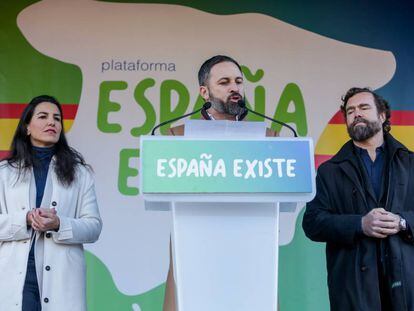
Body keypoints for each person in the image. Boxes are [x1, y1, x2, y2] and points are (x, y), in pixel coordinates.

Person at [163, 55, 277, 310]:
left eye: (238, 81)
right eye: (224, 82)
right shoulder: (177, 137)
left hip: (251, 249)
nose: (234, 88)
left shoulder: (269, 138)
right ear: (204, 92)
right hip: (195, 248)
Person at [302, 87, 414, 310]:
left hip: (406, 286)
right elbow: (312, 223)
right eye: (350, 111)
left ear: (382, 116)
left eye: (364, 107)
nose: (356, 114)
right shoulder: (329, 170)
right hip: (353, 290)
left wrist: (402, 221)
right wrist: (360, 224)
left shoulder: (411, 163)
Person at [0, 95, 102, 311]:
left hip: (62, 278)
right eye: (43, 116)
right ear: (27, 126)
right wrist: (25, 219)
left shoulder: (79, 173)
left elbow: (94, 227)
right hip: (17, 277)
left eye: (57, 118)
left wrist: (59, 224)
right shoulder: (4, 173)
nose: (51, 123)